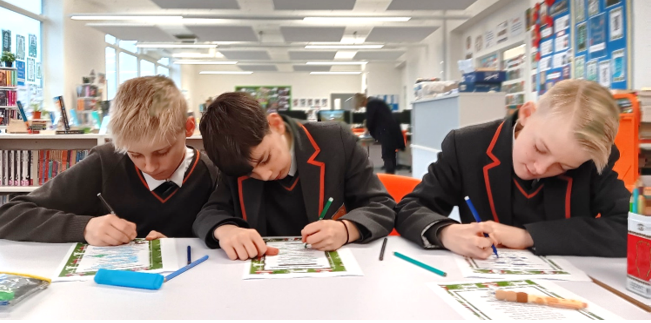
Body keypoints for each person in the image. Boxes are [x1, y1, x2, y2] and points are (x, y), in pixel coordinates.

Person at [395, 79, 628, 258]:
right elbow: (410, 208)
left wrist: (528, 236)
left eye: (563, 166)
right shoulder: (467, 146)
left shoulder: (592, 159)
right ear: (527, 114)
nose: (540, 167)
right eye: (540, 148)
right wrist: (445, 233)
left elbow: (631, 228)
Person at [0, 76, 225, 247]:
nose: (150, 166)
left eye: (162, 152)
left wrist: (179, 244)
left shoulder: (211, 173)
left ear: (188, 128)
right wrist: (85, 227)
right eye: (135, 154)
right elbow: (8, 215)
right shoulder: (105, 162)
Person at [193, 92, 396, 260]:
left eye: (265, 159)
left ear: (276, 124)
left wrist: (346, 229)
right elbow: (210, 213)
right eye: (250, 173)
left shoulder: (336, 141)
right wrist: (226, 230)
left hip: (333, 278)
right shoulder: (235, 163)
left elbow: (381, 206)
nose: (265, 175)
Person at [354, 93, 405, 174]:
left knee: (387, 155)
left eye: (362, 105)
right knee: (390, 154)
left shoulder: (371, 103)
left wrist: (366, 131)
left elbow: (370, 120)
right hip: (391, 131)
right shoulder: (375, 101)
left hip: (388, 132)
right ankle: (391, 175)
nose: (363, 107)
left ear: (362, 101)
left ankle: (390, 177)